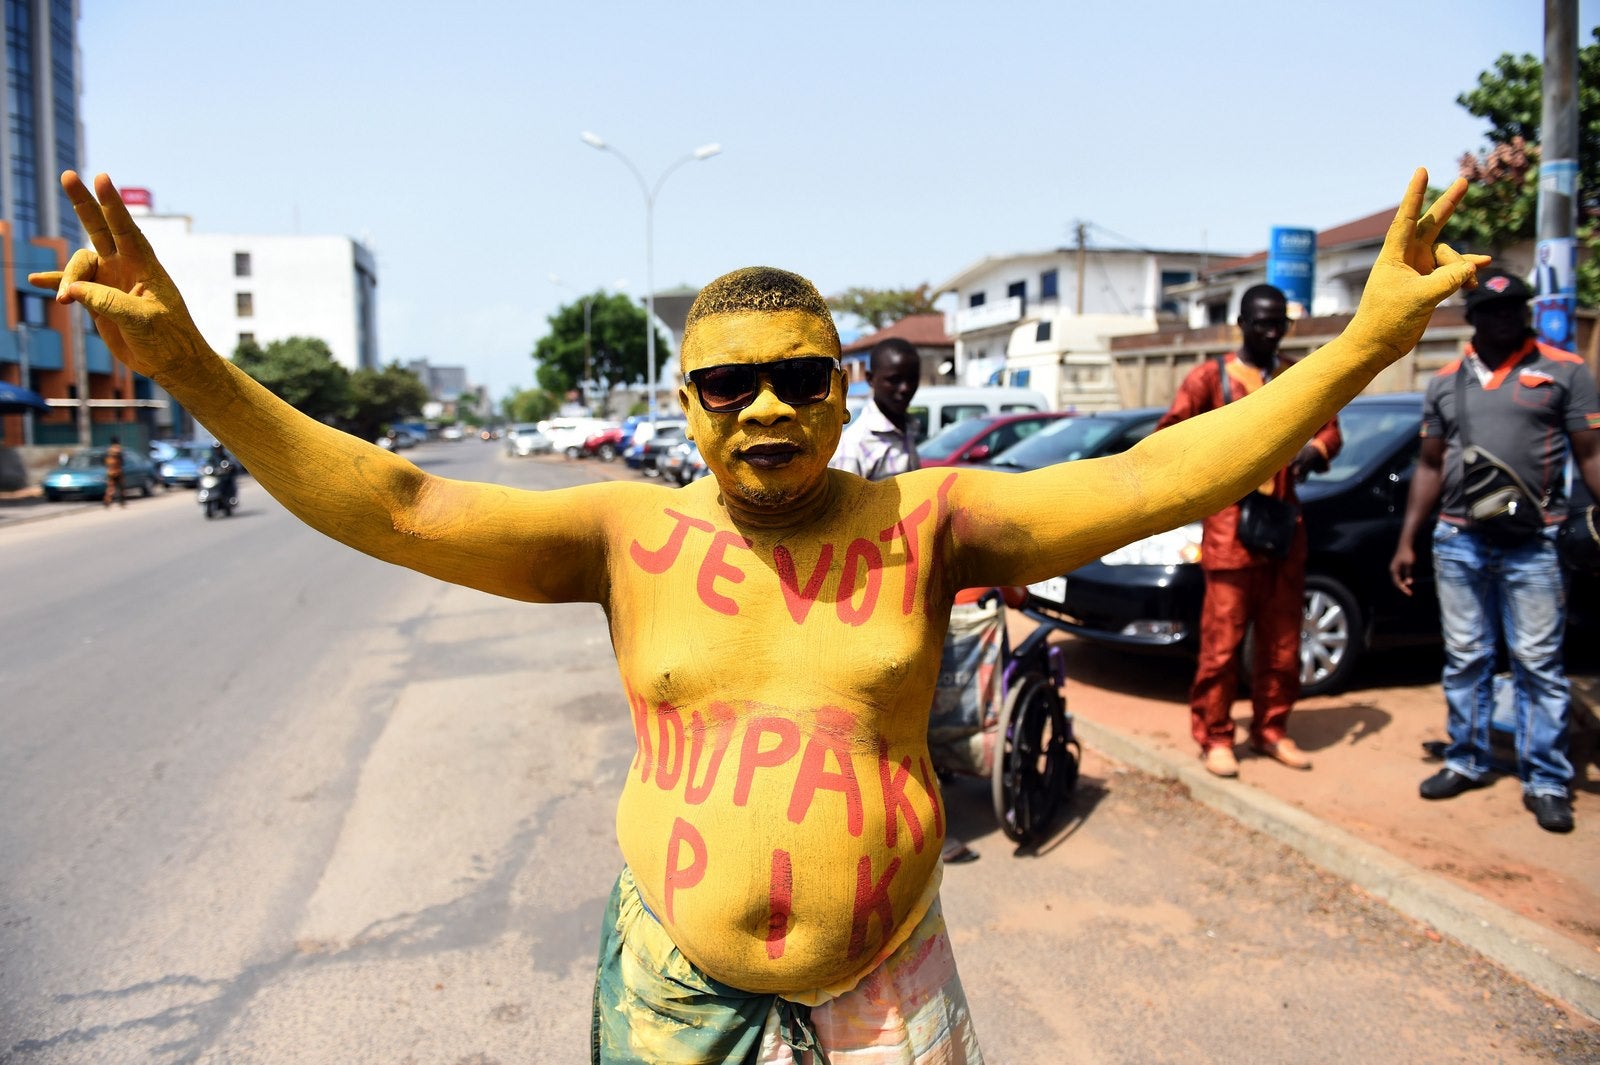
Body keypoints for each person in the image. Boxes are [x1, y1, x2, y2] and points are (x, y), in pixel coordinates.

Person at [35, 168, 1481, 1063]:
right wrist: (195, 371)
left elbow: (1169, 469)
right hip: (677, 979)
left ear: (845, 390)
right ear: (691, 406)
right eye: (731, 384)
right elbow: (401, 503)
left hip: (886, 970)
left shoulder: (931, 525)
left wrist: (1362, 341)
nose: (769, 405)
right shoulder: (624, 532)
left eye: (800, 375)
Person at [1389, 269, 1600, 834]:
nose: (1504, 318)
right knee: (1467, 656)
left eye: (1514, 310)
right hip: (1459, 541)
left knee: (1537, 662)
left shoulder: (1566, 372)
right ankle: (1467, 758)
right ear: (1471, 317)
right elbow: (1430, 466)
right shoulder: (1445, 382)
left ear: (1526, 314)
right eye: (1490, 310)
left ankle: (1547, 779)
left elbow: (1591, 454)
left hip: (1537, 541)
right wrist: (1408, 539)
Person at [1156, 284, 1342, 779]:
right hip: (1229, 531)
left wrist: (1314, 451)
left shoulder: (1296, 373)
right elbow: (1169, 435)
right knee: (1221, 644)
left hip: (1284, 528)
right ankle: (1215, 736)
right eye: (1261, 322)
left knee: (1283, 642)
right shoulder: (1208, 378)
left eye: (1279, 322)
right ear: (1241, 322)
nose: (1271, 330)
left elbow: (1330, 428)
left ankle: (1272, 729)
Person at [828, 336, 921, 479]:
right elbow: (848, 501)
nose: (905, 388)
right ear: (870, 379)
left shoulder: (908, 428)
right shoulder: (855, 445)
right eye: (894, 380)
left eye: (912, 379)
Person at [102, 435, 125, 507]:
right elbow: (122, 460)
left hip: (110, 471)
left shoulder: (109, 450)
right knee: (121, 487)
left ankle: (107, 501)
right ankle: (121, 502)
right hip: (118, 471)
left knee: (110, 487)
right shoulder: (118, 449)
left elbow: (104, 460)